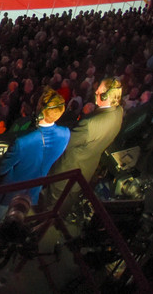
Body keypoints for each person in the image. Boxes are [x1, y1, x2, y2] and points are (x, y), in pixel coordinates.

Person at [0, 90, 71, 231]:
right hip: (32, 190)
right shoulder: (65, 133)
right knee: (15, 223)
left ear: (41, 111)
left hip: (9, 191)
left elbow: (2, 168)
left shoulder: (23, 142)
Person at [41, 77, 123, 214]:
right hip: (87, 168)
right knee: (69, 200)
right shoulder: (119, 112)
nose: (95, 91)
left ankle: (43, 223)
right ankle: (59, 217)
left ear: (106, 96)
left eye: (99, 92)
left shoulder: (89, 124)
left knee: (53, 202)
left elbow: (67, 143)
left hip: (68, 169)